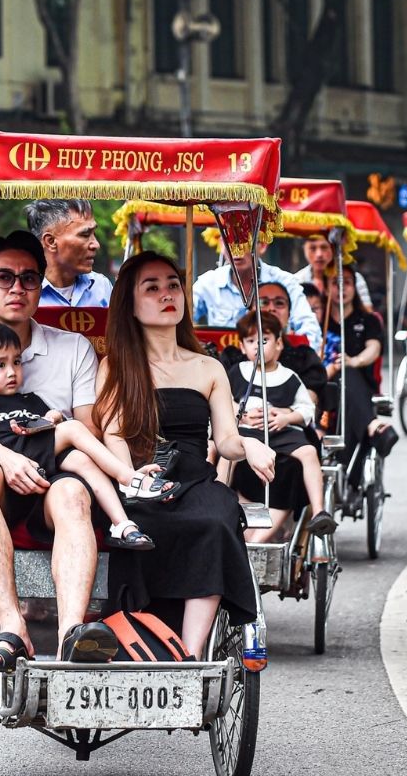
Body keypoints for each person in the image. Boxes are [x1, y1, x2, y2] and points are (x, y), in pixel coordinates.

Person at [0, 231, 112, 668]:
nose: (17, 288)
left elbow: (88, 425)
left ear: (40, 285)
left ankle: (71, 634)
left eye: (29, 278)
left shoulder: (73, 347)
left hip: (55, 476)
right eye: (4, 278)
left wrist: (49, 435)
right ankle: (12, 627)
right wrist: (9, 458)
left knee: (72, 492)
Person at [96, 252, 275, 657]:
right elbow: (114, 433)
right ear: (131, 304)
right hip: (141, 477)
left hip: (195, 478)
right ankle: (141, 636)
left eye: (173, 285)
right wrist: (131, 477)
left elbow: (226, 440)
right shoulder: (116, 366)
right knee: (138, 524)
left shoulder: (208, 367)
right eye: (152, 288)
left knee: (215, 520)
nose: (167, 295)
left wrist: (250, 444)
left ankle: (190, 656)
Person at [0, 321, 178, 551]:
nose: (12, 372)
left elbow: (48, 426)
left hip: (38, 455)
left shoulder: (30, 399)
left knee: (81, 459)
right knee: (73, 428)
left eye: (16, 362)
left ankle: (122, 524)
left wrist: (53, 418)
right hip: (8, 456)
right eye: (0, 365)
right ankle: (128, 479)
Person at [220, 283, 328, 528]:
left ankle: (319, 511)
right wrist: (240, 414)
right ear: (242, 346)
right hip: (246, 431)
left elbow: (306, 408)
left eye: (264, 341)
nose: (257, 346)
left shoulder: (290, 376)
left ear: (279, 344)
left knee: (309, 452)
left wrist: (286, 417)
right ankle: (216, 498)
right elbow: (224, 399)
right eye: (251, 341)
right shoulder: (237, 371)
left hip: (281, 431)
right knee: (227, 453)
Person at [322, 264, 398, 479]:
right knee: (340, 380)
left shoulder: (368, 320)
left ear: (355, 287)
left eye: (346, 282)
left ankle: (349, 476)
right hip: (326, 387)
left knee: (347, 377)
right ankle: (372, 427)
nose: (341, 288)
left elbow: (373, 348)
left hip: (361, 385)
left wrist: (354, 361)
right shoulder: (319, 321)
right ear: (326, 288)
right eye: (335, 283)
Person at [192, 240, 322, 349]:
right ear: (221, 244)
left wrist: (302, 359)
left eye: (244, 242)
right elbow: (184, 319)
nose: (237, 250)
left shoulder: (285, 281)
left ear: (263, 245)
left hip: (270, 365)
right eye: (230, 242)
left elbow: (309, 327)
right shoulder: (207, 283)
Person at [26, 199, 113, 307]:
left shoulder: (101, 288)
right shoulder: (21, 295)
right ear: (50, 241)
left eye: (93, 234)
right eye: (85, 235)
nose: (96, 245)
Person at [294, 234, 373, 311]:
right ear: (304, 249)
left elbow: (367, 312)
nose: (319, 254)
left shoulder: (353, 279)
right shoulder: (296, 281)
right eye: (312, 248)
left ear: (334, 249)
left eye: (324, 247)